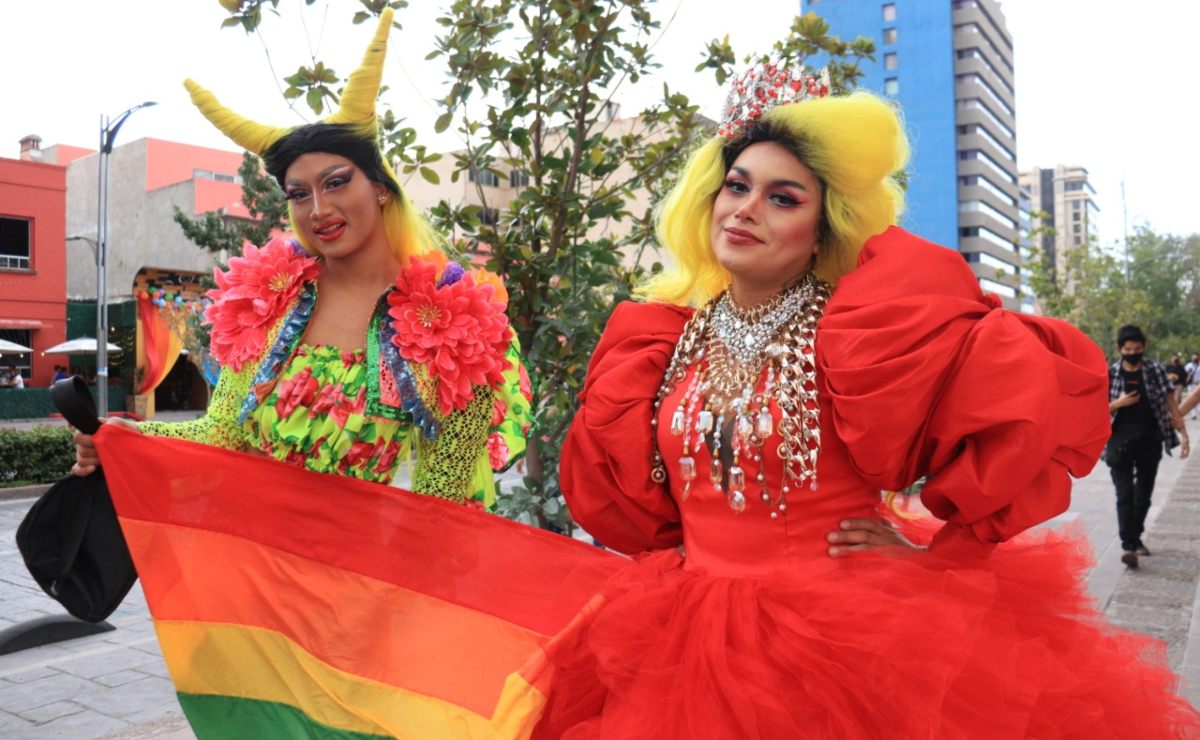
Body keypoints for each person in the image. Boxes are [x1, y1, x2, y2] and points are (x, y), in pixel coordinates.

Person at [498, 62, 1200, 738]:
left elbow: (1027, 409)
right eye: (737, 186)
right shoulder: (657, 340)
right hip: (683, 636)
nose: (746, 210)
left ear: (824, 228)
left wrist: (937, 554)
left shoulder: (863, 336)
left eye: (783, 198)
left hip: (846, 642)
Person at [72, 9, 531, 504]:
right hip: (250, 543)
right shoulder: (268, 301)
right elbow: (222, 433)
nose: (318, 209)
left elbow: (445, 495)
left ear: (380, 187)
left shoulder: (454, 321)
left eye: (336, 183)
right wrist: (131, 436)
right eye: (298, 193)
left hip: (364, 552)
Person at [1106, 326, 1188, 569]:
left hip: (1150, 441)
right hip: (1119, 443)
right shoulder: (1110, 373)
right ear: (1120, 349)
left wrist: (1184, 435)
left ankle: (1136, 537)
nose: (1133, 353)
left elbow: (1170, 402)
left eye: (1137, 349)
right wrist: (1119, 403)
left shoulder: (1154, 370)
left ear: (1144, 348)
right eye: (1128, 349)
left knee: (1143, 496)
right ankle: (1129, 546)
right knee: (1125, 495)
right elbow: (1096, 409)